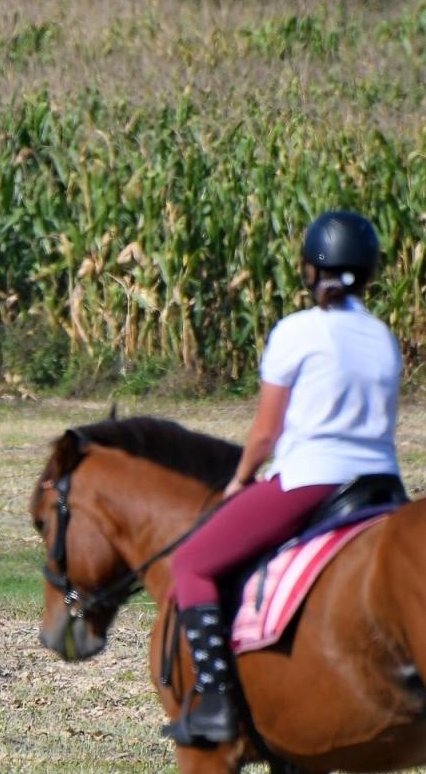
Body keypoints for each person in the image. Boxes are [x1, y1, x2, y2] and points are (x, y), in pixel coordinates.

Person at [163, 210, 402, 746]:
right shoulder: (383, 337)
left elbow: (266, 434)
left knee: (191, 563)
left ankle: (217, 702)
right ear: (367, 271)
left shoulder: (296, 331)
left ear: (311, 270)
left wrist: (239, 481)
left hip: (311, 482)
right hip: (384, 488)